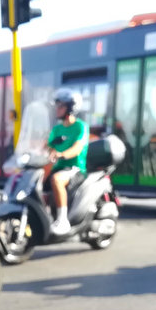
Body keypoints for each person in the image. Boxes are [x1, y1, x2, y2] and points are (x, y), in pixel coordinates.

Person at [46, 88, 89, 235]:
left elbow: (77, 148)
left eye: (61, 106)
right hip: (58, 167)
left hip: (75, 168)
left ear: (71, 108)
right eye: (57, 106)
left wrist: (62, 154)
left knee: (57, 180)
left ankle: (63, 220)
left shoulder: (80, 127)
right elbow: (48, 146)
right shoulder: (57, 129)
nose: (57, 109)